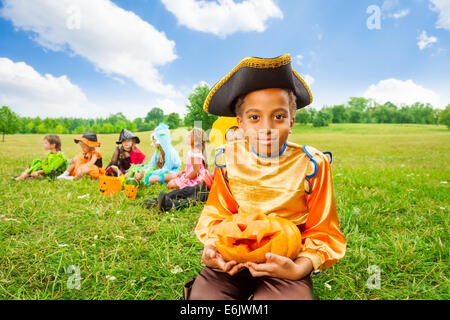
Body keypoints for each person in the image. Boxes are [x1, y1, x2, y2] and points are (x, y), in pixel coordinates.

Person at [186, 54, 346, 300]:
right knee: (204, 301)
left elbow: (322, 231)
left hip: (286, 259)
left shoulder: (312, 164)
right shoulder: (226, 158)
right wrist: (213, 250)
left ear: (292, 121)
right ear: (240, 123)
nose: (266, 127)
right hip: (234, 253)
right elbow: (218, 212)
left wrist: (299, 268)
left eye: (278, 116)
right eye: (254, 117)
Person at [142, 121, 243, 212]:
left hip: (219, 192)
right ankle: (156, 201)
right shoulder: (223, 155)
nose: (233, 141)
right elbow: (216, 175)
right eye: (230, 139)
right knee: (184, 191)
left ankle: (172, 205)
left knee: (195, 198)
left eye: (237, 139)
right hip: (208, 183)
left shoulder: (244, 162)